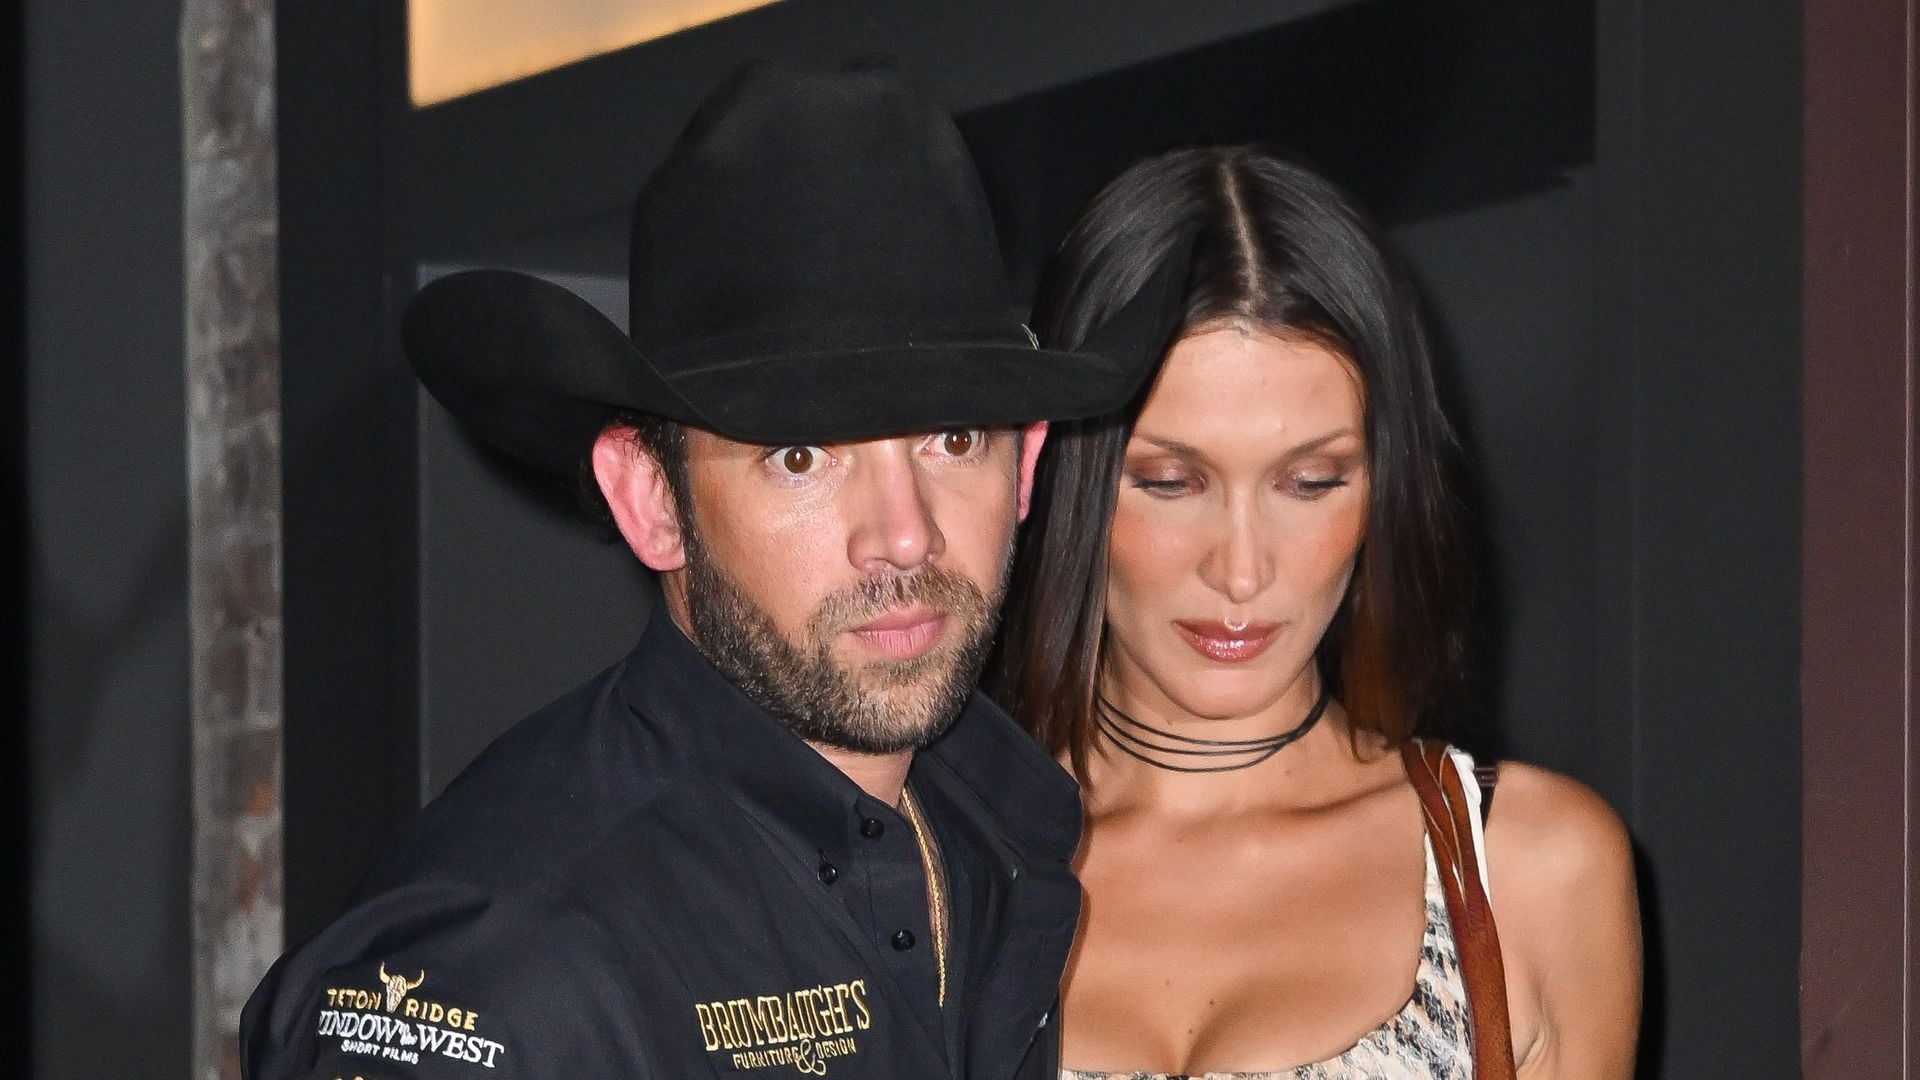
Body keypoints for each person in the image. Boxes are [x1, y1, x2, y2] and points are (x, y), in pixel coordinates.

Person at [240, 62, 1176, 1080]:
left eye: (955, 439)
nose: (905, 537)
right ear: (652, 500)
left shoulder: (998, 834)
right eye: (802, 458)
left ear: (1028, 464)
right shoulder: (513, 965)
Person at [987, 146, 1641, 1079]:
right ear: (1059, 472)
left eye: (1310, 482)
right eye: (1170, 482)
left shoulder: (1533, 869)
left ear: (1383, 489)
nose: (1241, 569)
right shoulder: (935, 867)